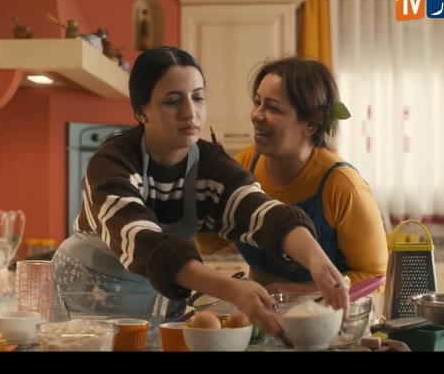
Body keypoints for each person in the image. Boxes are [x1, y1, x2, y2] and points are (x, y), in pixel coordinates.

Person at [51, 47, 349, 337]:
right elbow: (141, 239)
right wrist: (232, 289)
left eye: (197, 98)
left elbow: (258, 210)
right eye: (172, 101)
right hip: (88, 295)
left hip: (161, 296)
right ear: (142, 111)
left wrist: (316, 259)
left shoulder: (210, 164)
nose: (189, 112)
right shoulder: (111, 163)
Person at [196, 56, 388, 294]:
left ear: (310, 124)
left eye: (273, 108)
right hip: (261, 307)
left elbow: (374, 276)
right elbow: (211, 244)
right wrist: (202, 190)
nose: (256, 115)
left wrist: (295, 292)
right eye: (257, 102)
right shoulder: (245, 165)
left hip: (330, 312)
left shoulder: (344, 187)